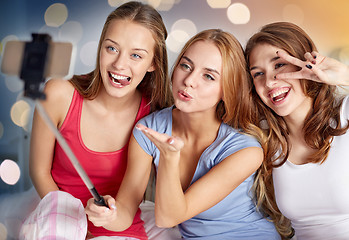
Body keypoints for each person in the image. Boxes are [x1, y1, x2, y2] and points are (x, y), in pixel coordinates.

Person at [85, 29, 281, 239]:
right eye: (185, 66)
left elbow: (167, 219)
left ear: (228, 89)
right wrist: (107, 215)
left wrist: (169, 158)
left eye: (208, 76)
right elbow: (125, 211)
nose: (189, 80)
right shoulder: (149, 129)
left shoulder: (246, 150)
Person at [22, 1, 172, 239]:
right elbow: (39, 171)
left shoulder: (155, 115)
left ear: (153, 63)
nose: (119, 64)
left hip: (122, 227)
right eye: (111, 48)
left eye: (136, 55)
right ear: (101, 46)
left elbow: (126, 211)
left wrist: (108, 218)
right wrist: (74, 221)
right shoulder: (58, 94)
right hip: (58, 219)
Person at [244, 21, 349, 240]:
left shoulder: (344, 114)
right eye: (258, 74)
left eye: (279, 65)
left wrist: (344, 75)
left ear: (306, 63)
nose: (270, 82)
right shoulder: (265, 143)